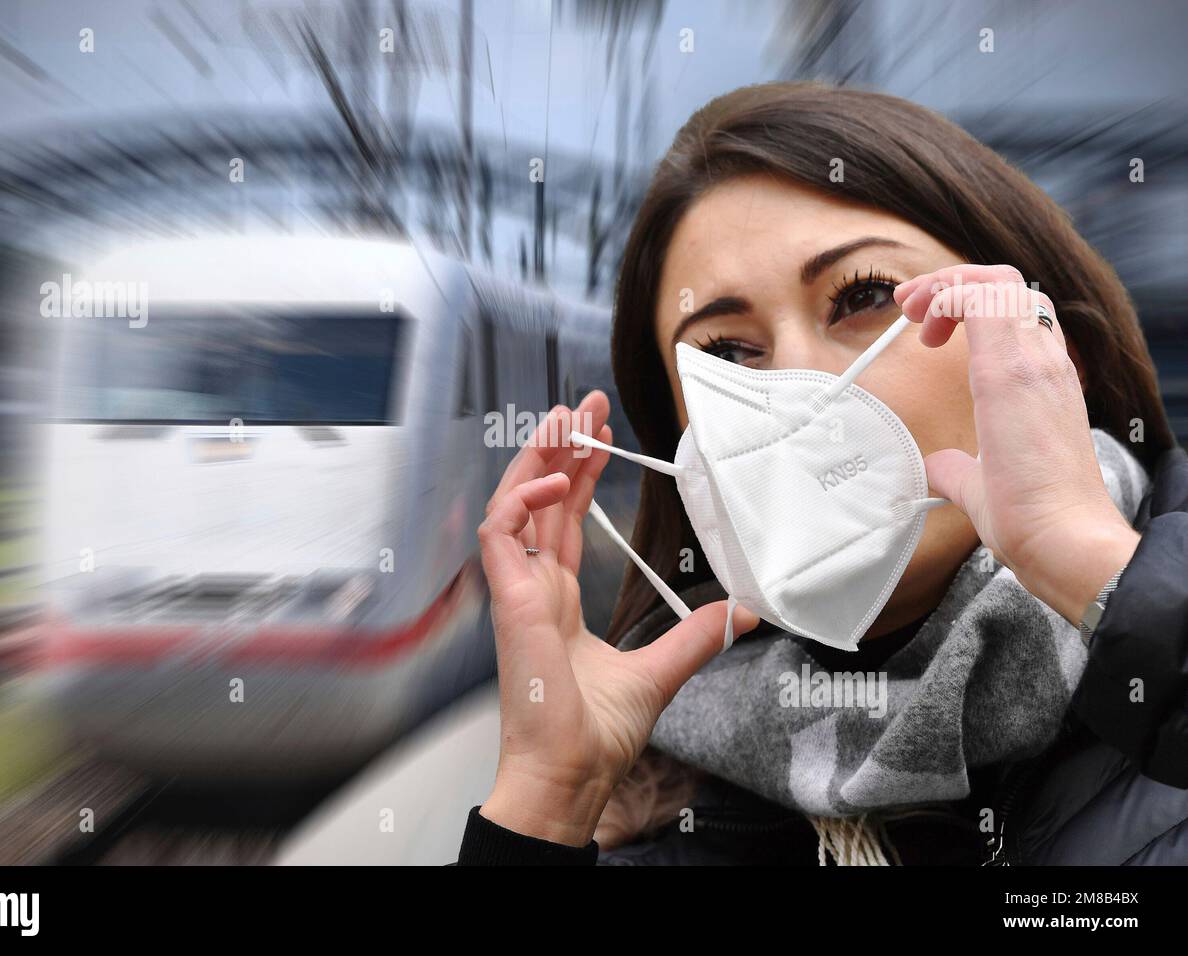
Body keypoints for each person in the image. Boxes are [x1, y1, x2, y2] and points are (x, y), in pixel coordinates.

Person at [456, 82, 1188, 866]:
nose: (796, 391)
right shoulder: (669, 823)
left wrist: (1100, 578)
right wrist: (547, 799)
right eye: (728, 355)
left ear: (1052, 352)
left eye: (863, 297)